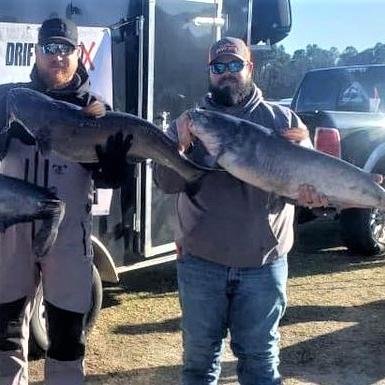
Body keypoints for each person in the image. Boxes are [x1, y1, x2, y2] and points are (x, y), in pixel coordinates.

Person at [153, 37, 327, 385]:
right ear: (209, 73)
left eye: (235, 65)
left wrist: (312, 198)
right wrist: (181, 146)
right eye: (218, 67)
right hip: (201, 262)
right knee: (199, 363)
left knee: (260, 361)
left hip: (264, 264)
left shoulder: (283, 120)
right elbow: (166, 184)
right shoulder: (191, 122)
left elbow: (309, 186)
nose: (226, 74)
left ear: (250, 68)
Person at [0, 17, 131, 385]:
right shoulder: (11, 96)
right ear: (37, 53)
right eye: (49, 49)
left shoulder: (94, 107)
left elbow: (111, 179)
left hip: (68, 233)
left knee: (67, 330)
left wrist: (115, 167)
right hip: (13, 227)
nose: (57, 57)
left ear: (78, 54)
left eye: (65, 49)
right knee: (8, 327)